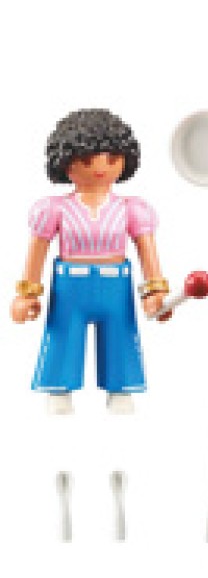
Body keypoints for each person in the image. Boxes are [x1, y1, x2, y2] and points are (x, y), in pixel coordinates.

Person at [11, 109, 171, 415]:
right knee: (62, 335)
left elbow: (147, 251)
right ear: (65, 161)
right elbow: (37, 251)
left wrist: (155, 292)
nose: (100, 167)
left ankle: (120, 387)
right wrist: (26, 294)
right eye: (87, 159)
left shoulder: (132, 209)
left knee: (122, 335)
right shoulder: (53, 209)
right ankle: (59, 387)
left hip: (116, 287)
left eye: (111, 158)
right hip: (70, 287)